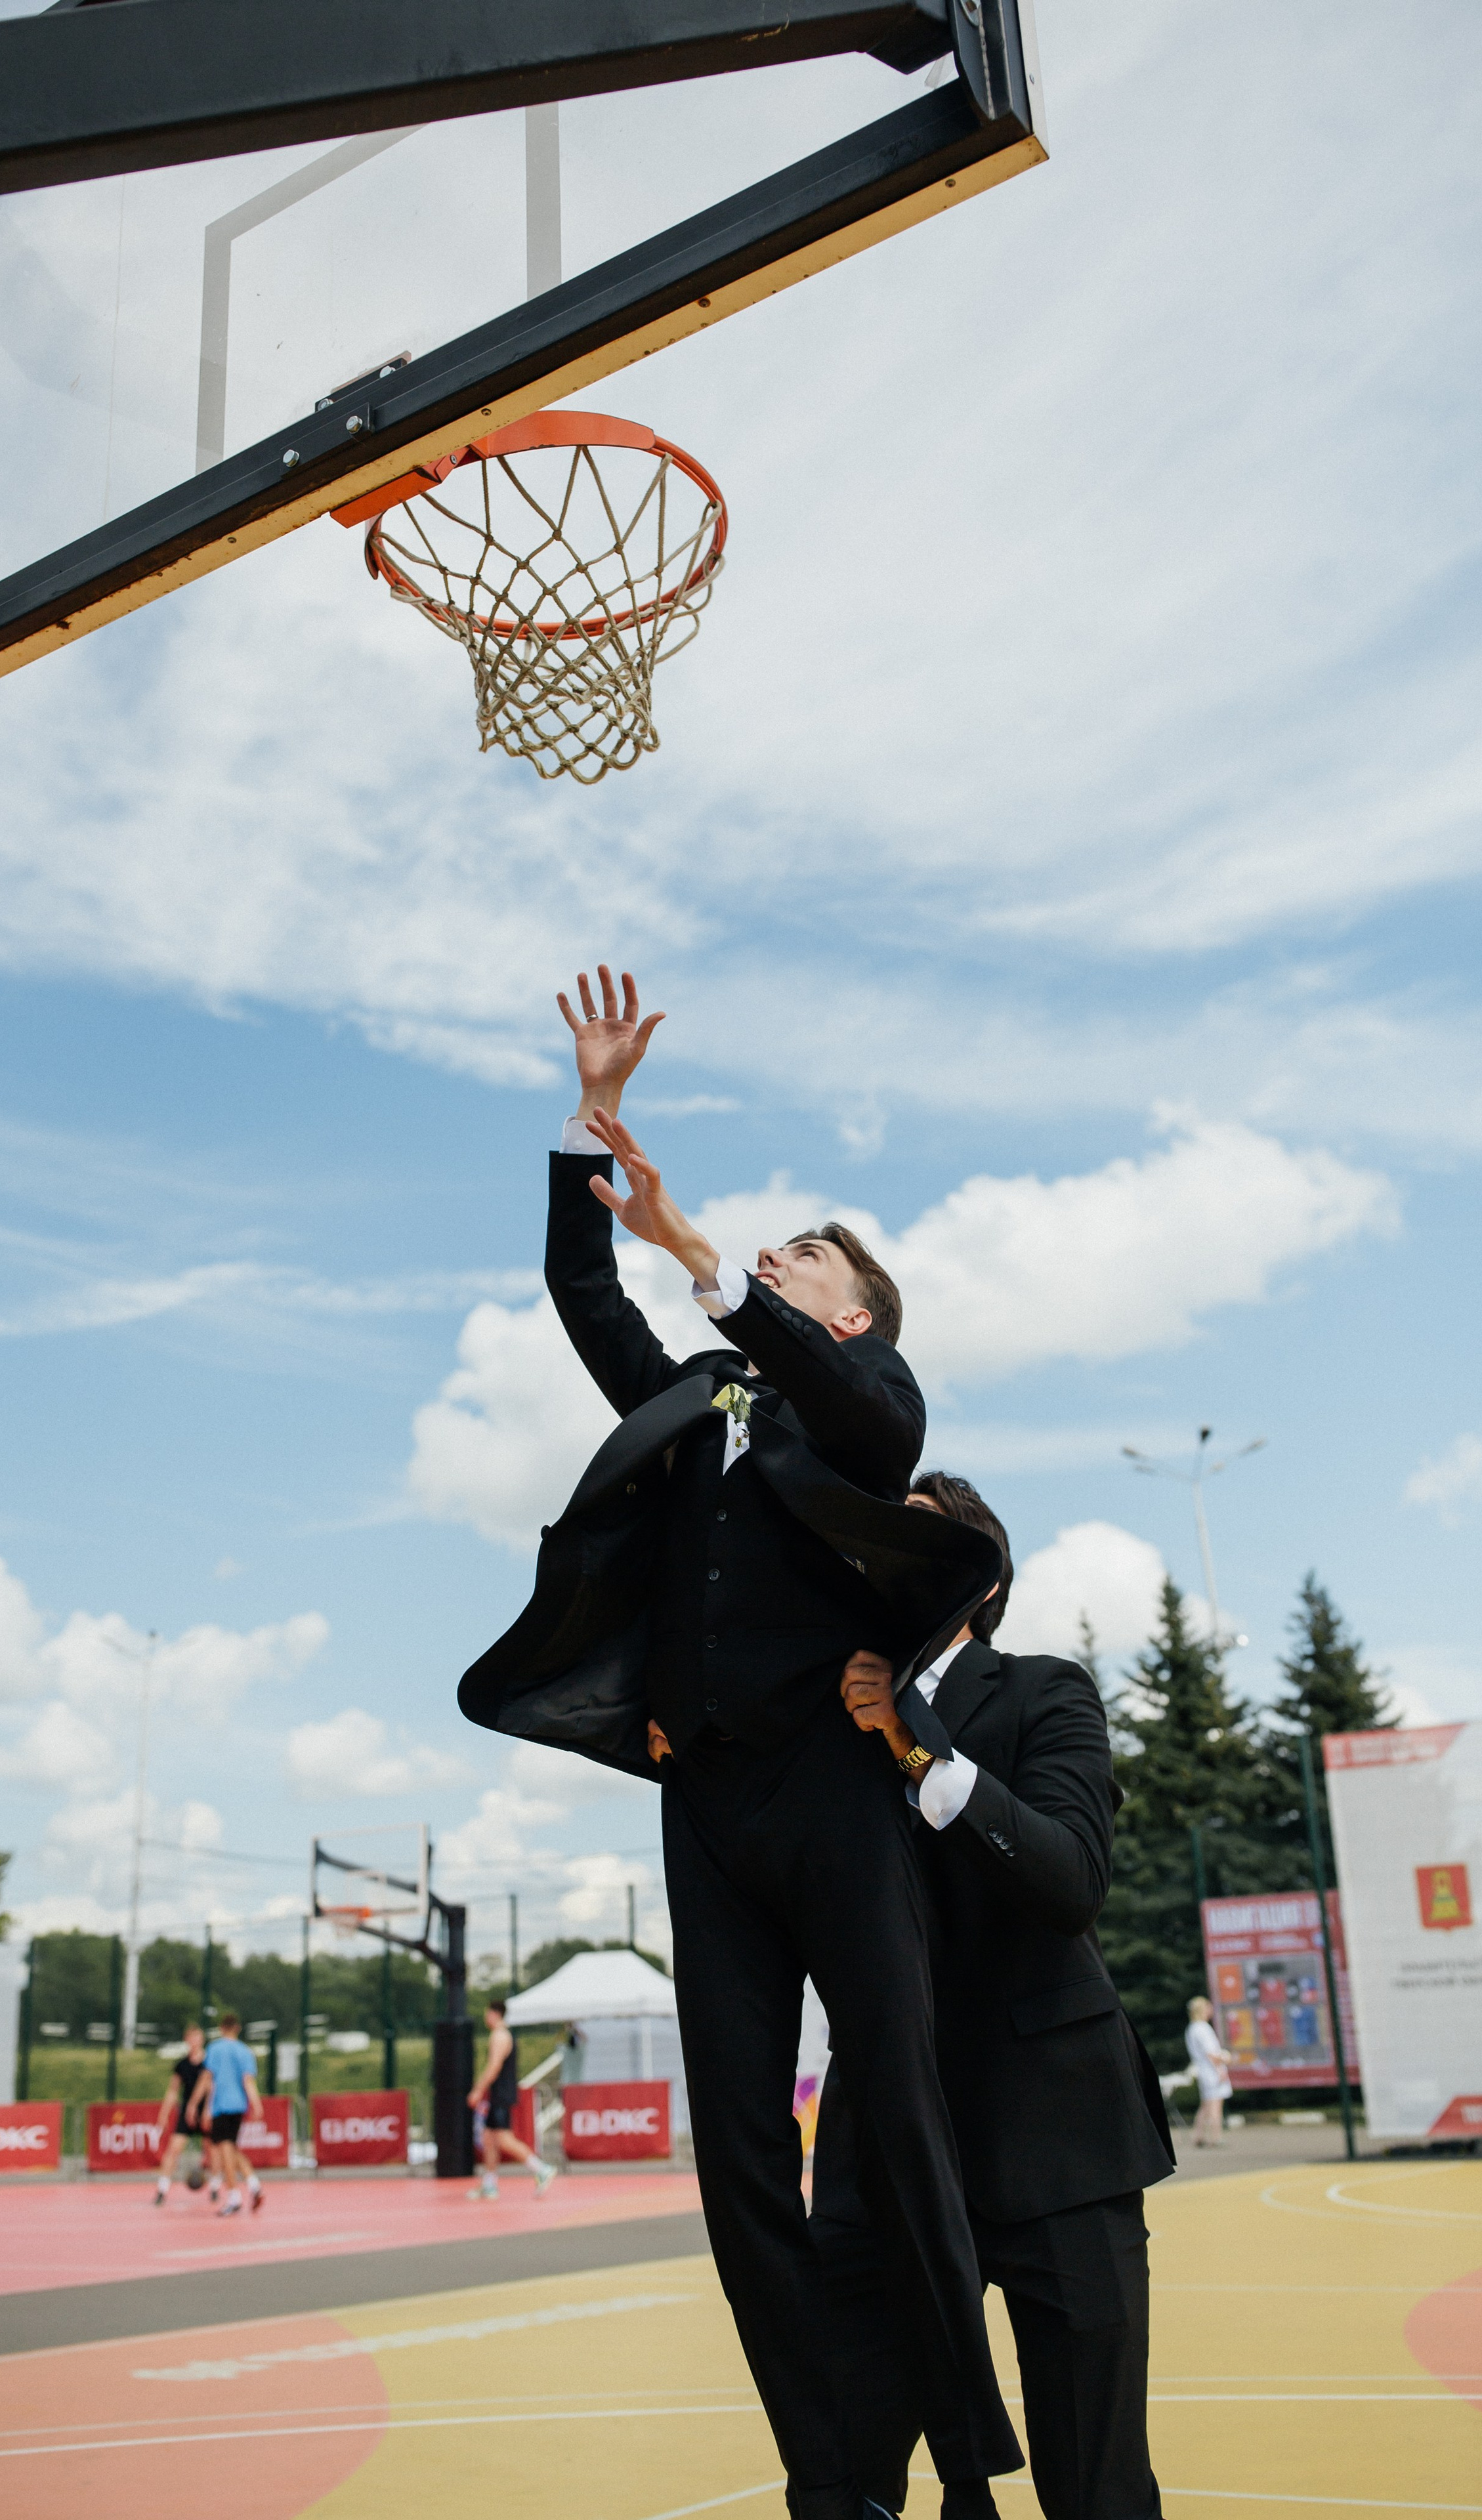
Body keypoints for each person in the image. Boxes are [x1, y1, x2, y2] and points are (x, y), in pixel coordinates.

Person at [459, 968, 1021, 2520]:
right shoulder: (702, 1396)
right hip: (705, 1796)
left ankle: (967, 2450)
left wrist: (711, 1260)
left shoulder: (865, 1399)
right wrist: (592, 1121)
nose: (776, 1251)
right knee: (738, 2161)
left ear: (842, 1307)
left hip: (835, 1791)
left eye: (805, 1253)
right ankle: (825, 2463)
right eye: (769, 1245)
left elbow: (867, 1429)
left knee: (893, 2116)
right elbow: (585, 1297)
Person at [813, 1470, 1175, 2520]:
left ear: (981, 1581)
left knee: (1094, 2481)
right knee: (857, 2475)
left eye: (913, 1545)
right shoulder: (821, 1723)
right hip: (881, 2148)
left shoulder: (1044, 1691)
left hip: (1057, 2135)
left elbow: (1069, 1880)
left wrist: (915, 1734)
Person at [467, 1997, 557, 2198]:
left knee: (503, 2138)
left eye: (486, 2013)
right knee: (489, 2139)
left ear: (494, 2014)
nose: (485, 2018)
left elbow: (494, 2067)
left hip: (501, 2094)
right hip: (498, 2094)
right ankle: (490, 2184)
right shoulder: (501, 2035)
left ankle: (541, 2168)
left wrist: (478, 2090)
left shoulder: (500, 2036)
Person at [196, 2010, 266, 2217]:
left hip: (222, 2106)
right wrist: (257, 2104)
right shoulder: (245, 2052)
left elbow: (208, 2079)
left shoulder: (215, 2049)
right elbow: (248, 2081)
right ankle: (254, 2185)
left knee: (225, 2153)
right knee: (231, 2149)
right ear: (237, 2028)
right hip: (238, 2107)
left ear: (221, 2028)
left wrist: (195, 2105)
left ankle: (234, 2198)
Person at [153, 2021, 210, 2204]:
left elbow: (215, 2087)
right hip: (187, 2110)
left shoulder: (210, 2062)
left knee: (214, 2150)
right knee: (174, 2148)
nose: (195, 2041)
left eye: (198, 2037)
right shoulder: (182, 2065)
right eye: (191, 2038)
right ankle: (162, 2188)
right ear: (187, 2040)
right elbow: (173, 2091)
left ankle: (216, 2186)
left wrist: (209, 2109)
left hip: (207, 2109)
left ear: (202, 2040)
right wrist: (164, 2114)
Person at [1185, 1996, 1234, 2147]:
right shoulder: (1203, 2028)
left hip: (1203, 2070)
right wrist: (1223, 2064)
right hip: (1211, 2071)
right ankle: (1216, 2137)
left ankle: (1198, 2136)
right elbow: (1211, 2054)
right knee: (1215, 2106)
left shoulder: (1192, 2028)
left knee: (1206, 2105)